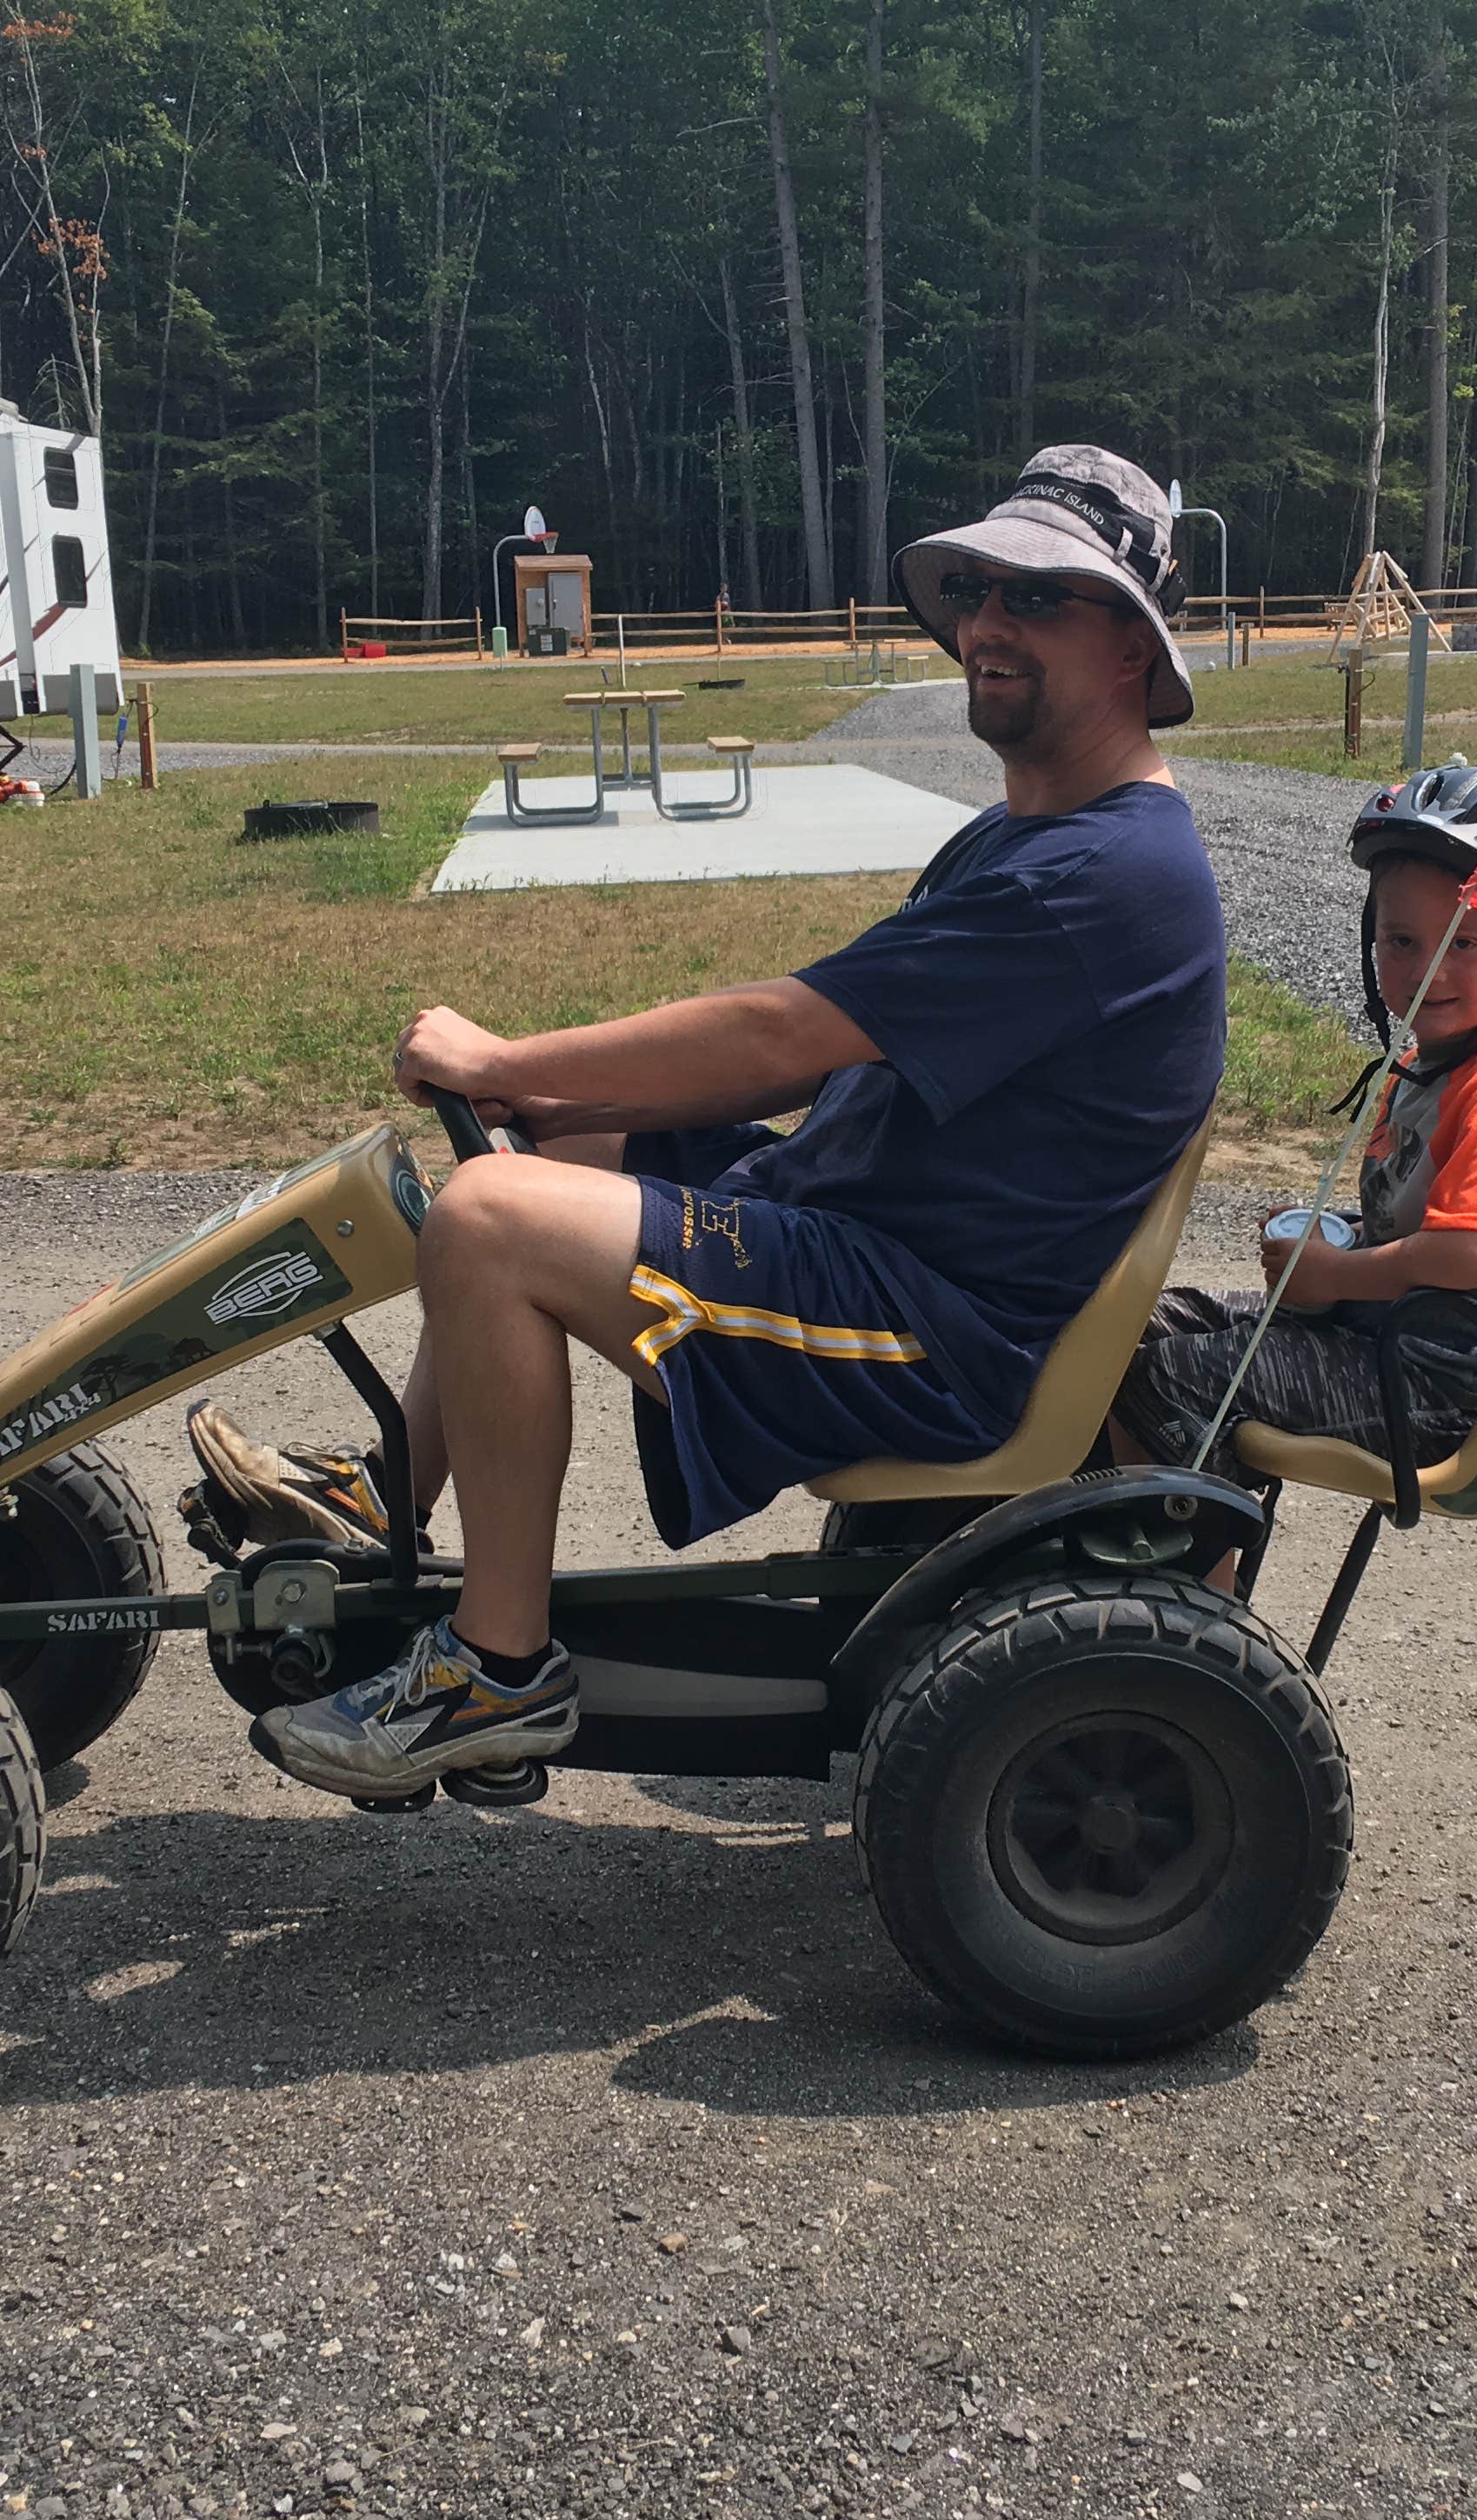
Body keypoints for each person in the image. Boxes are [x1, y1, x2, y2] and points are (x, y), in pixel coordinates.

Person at [215, 443, 1228, 1802]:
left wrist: (510, 1055)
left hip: (937, 1334)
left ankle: (496, 1671)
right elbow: (795, 1061)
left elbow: (780, 1038)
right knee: (555, 1153)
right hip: (865, 1243)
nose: (987, 623)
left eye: (1037, 598)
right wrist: (544, 1093)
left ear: (1128, 648)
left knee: (490, 1218)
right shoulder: (1035, 842)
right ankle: (388, 1498)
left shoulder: (1104, 873)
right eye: (980, 589)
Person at [1107, 764, 1477, 1485]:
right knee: (1131, 1330)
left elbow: (1475, 1254)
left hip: (1439, 1384)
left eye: (1464, 944)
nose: (1430, 972)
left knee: (1172, 1379)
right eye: (1401, 942)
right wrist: (1333, 1236)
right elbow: (1411, 1222)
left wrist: (1341, 1272)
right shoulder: (1427, 1065)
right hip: (1387, 1335)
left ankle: (1187, 1584)